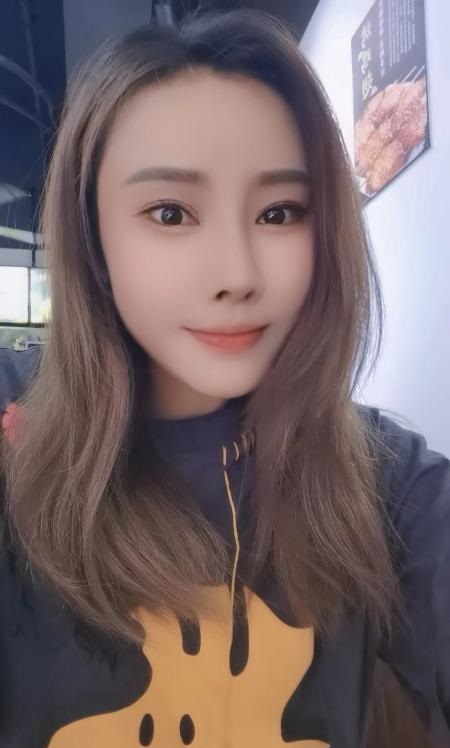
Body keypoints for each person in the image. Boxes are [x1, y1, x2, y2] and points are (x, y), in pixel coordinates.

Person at [0, 8, 448, 748]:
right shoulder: (20, 435)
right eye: (171, 213)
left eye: (279, 213)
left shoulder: (382, 478)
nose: (238, 274)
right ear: (93, 235)